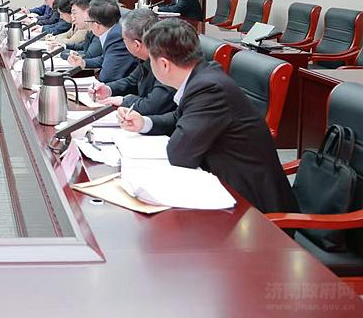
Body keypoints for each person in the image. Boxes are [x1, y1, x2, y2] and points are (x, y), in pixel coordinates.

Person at [118, 19, 297, 214]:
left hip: (249, 205)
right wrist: (144, 123)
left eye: (151, 60)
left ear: (164, 64)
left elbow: (179, 154)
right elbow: (180, 118)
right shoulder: (203, 76)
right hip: (222, 185)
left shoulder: (208, 88)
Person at [90, 8, 177, 116]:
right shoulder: (149, 56)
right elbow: (131, 81)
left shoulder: (167, 62)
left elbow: (153, 106)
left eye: (124, 39)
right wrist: (108, 89)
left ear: (136, 45)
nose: (123, 43)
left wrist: (124, 101)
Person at [68, 0, 137, 81]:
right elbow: (105, 58)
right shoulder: (114, 31)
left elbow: (106, 77)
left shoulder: (116, 37)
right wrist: (84, 62)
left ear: (96, 25)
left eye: (88, 21)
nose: (88, 25)